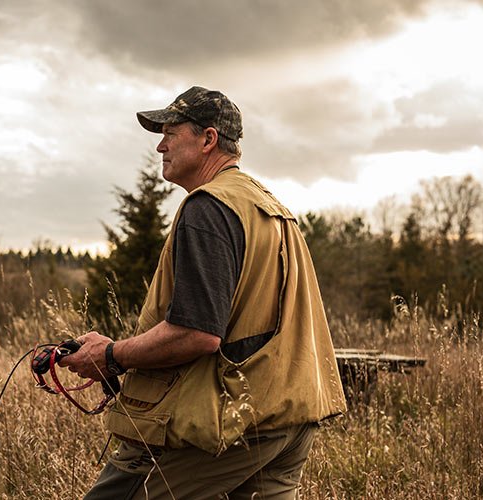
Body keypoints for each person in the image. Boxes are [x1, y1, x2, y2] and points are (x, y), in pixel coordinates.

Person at [60, 86, 346, 499]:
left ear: (208, 139)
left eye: (170, 133)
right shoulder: (271, 208)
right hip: (290, 418)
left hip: (230, 422)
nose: (160, 145)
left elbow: (197, 333)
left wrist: (109, 355)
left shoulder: (208, 209)